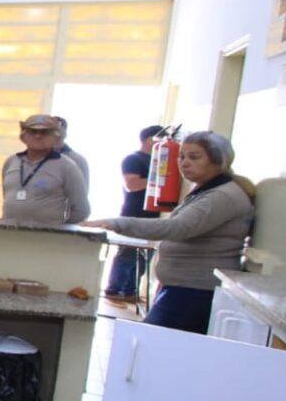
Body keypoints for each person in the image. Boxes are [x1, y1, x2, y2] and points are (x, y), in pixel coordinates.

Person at [84, 131, 254, 334]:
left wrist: (114, 223)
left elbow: (175, 228)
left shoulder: (222, 196)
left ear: (217, 161)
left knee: (152, 346)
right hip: (181, 288)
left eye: (194, 157)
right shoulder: (205, 191)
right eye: (182, 156)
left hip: (195, 291)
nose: (184, 163)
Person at [105, 125, 163, 301]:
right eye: (159, 139)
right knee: (127, 254)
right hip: (133, 213)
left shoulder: (158, 161)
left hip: (153, 216)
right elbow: (132, 185)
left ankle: (130, 291)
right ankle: (115, 290)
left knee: (144, 257)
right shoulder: (133, 159)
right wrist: (158, 180)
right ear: (149, 139)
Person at [0, 114, 90, 225]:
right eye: (32, 131)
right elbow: (7, 196)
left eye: (45, 132)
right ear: (23, 136)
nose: (38, 136)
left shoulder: (67, 166)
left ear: (56, 136)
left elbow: (82, 209)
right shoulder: (11, 162)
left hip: (46, 239)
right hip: (7, 235)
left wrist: (61, 231)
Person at [53, 115, 91, 186]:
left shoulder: (77, 160)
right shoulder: (35, 157)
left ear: (65, 133)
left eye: (57, 130)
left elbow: (82, 192)